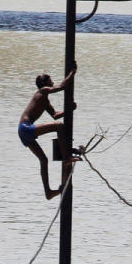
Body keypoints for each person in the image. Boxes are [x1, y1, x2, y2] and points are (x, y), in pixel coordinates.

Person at [18, 62, 79, 200]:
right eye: (50, 79)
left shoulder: (44, 100)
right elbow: (62, 87)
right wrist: (72, 73)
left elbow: (55, 114)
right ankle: (67, 158)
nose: (52, 81)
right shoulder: (42, 91)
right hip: (25, 127)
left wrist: (69, 110)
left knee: (43, 160)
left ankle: (48, 192)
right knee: (59, 126)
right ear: (44, 83)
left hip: (22, 131)